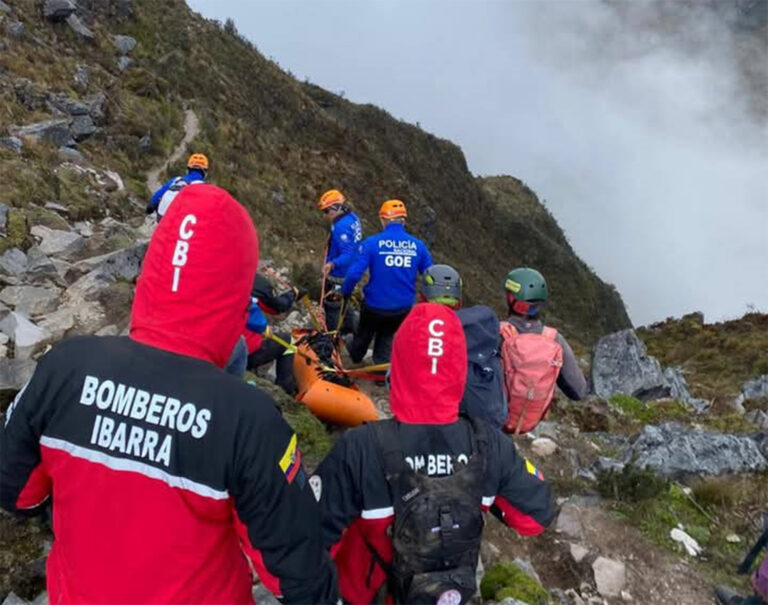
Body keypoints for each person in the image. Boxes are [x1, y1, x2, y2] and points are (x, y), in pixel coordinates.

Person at [0, 185, 338, 604]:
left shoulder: (64, 366)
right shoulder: (249, 419)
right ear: (235, 292)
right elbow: (301, 578)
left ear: (155, 266)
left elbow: (15, 491)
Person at [311, 303, 555, 604]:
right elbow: (535, 518)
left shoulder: (360, 446)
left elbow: (305, 544)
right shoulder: (489, 444)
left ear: (397, 367)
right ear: (459, 370)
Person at [341, 199, 433, 365]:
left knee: (362, 338)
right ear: (403, 221)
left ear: (383, 220)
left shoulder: (372, 243)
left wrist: (345, 291)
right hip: (402, 308)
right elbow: (431, 275)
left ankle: (356, 353)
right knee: (387, 339)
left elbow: (354, 274)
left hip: (374, 306)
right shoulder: (418, 246)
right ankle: (381, 367)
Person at [502, 266, 587, 404]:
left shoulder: (496, 332)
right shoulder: (554, 339)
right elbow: (579, 391)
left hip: (493, 421)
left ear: (511, 298)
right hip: (530, 422)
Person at [243, 273, 305, 394]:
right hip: (244, 354)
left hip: (214, 351)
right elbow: (276, 306)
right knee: (288, 342)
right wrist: (293, 294)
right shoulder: (253, 284)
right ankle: (285, 390)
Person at [317, 189, 362, 333]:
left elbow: (347, 253)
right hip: (351, 271)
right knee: (346, 302)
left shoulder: (341, 227)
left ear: (336, 208)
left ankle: (332, 338)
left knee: (332, 308)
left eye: (326, 211)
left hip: (339, 274)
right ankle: (351, 331)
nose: (325, 215)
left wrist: (332, 264)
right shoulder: (353, 217)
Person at [146, 153, 208, 221]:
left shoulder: (176, 180)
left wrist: (150, 208)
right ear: (205, 173)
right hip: (179, 222)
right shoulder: (204, 188)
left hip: (162, 217)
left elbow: (157, 196)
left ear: (188, 170)